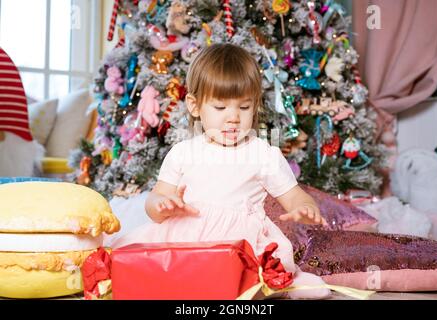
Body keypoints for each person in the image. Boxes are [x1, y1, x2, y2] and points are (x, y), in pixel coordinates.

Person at [111, 43, 331, 299]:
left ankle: (288, 282)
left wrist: (304, 207)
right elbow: (154, 203)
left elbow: (293, 196)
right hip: (186, 235)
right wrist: (163, 205)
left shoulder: (262, 153)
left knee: (252, 281)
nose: (233, 118)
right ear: (194, 106)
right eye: (220, 107)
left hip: (240, 240)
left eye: (244, 107)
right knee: (149, 271)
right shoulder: (183, 153)